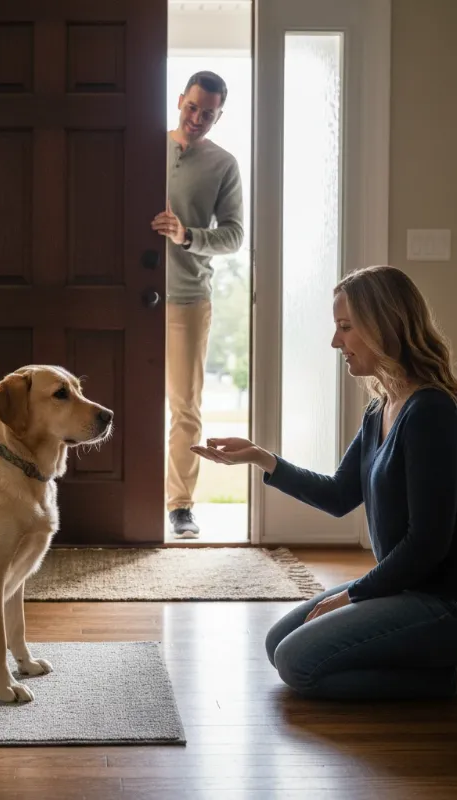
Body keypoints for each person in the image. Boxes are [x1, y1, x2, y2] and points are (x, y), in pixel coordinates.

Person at [192, 265, 457, 700]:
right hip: (412, 588)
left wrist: (354, 596)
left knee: (298, 664)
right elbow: (339, 495)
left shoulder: (431, 413)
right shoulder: (381, 408)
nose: (335, 341)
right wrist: (261, 458)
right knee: (277, 643)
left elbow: (427, 545)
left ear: (383, 326)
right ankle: (430, 655)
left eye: (346, 327)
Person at [151, 70, 244, 539]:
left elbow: (234, 235)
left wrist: (187, 235)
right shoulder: (144, 147)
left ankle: (180, 506)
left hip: (187, 299)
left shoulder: (223, 164)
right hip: (131, 298)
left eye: (208, 113)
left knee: (184, 407)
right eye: (192, 107)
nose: (197, 118)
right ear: (179, 101)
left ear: (218, 115)